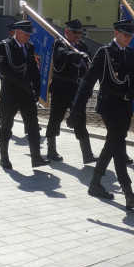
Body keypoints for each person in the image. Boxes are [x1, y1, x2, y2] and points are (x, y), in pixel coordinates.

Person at [69, 19, 134, 209]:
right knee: (118, 145)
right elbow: (88, 81)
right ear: (116, 33)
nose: (129, 39)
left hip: (125, 106)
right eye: (126, 35)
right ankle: (128, 193)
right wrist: (77, 109)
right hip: (109, 104)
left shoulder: (130, 53)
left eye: (131, 36)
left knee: (113, 143)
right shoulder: (105, 53)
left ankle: (95, 183)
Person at [0, 20, 46, 170]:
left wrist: (37, 89)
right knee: (6, 124)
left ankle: (36, 157)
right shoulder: (5, 46)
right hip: (10, 92)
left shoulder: (29, 47)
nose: (28, 37)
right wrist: (22, 83)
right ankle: (4, 157)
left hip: (26, 94)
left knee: (33, 124)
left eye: (29, 34)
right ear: (17, 32)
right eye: (26, 34)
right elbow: (2, 71)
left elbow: (33, 70)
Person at [47, 20, 93, 162]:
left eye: (80, 32)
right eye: (74, 32)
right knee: (56, 118)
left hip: (77, 89)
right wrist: (78, 55)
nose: (77, 35)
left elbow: (87, 64)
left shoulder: (82, 45)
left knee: (80, 119)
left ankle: (87, 154)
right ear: (67, 31)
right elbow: (61, 54)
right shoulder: (60, 43)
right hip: (61, 88)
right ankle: (51, 150)